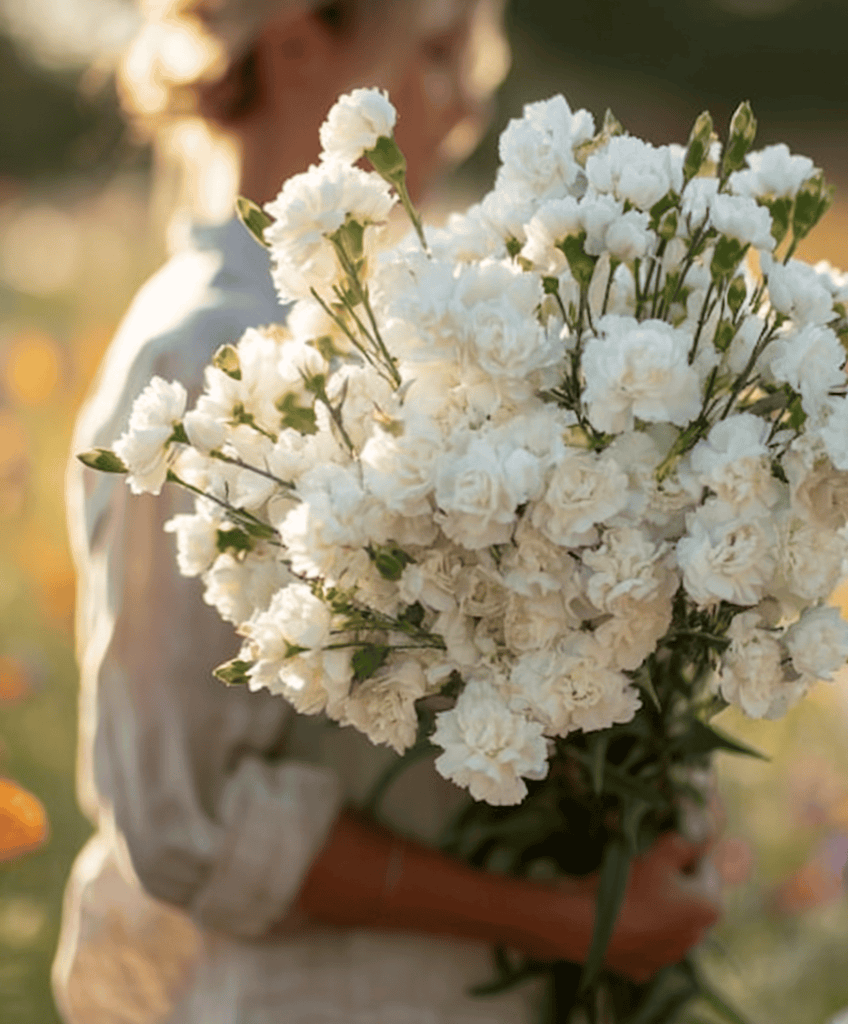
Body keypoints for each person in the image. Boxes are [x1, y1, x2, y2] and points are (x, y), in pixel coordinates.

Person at [55, 2, 723, 1021]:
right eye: (439, 52)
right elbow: (184, 816)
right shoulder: (204, 357)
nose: (467, 105)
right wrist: (563, 914)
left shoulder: (436, 329)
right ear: (290, 42)